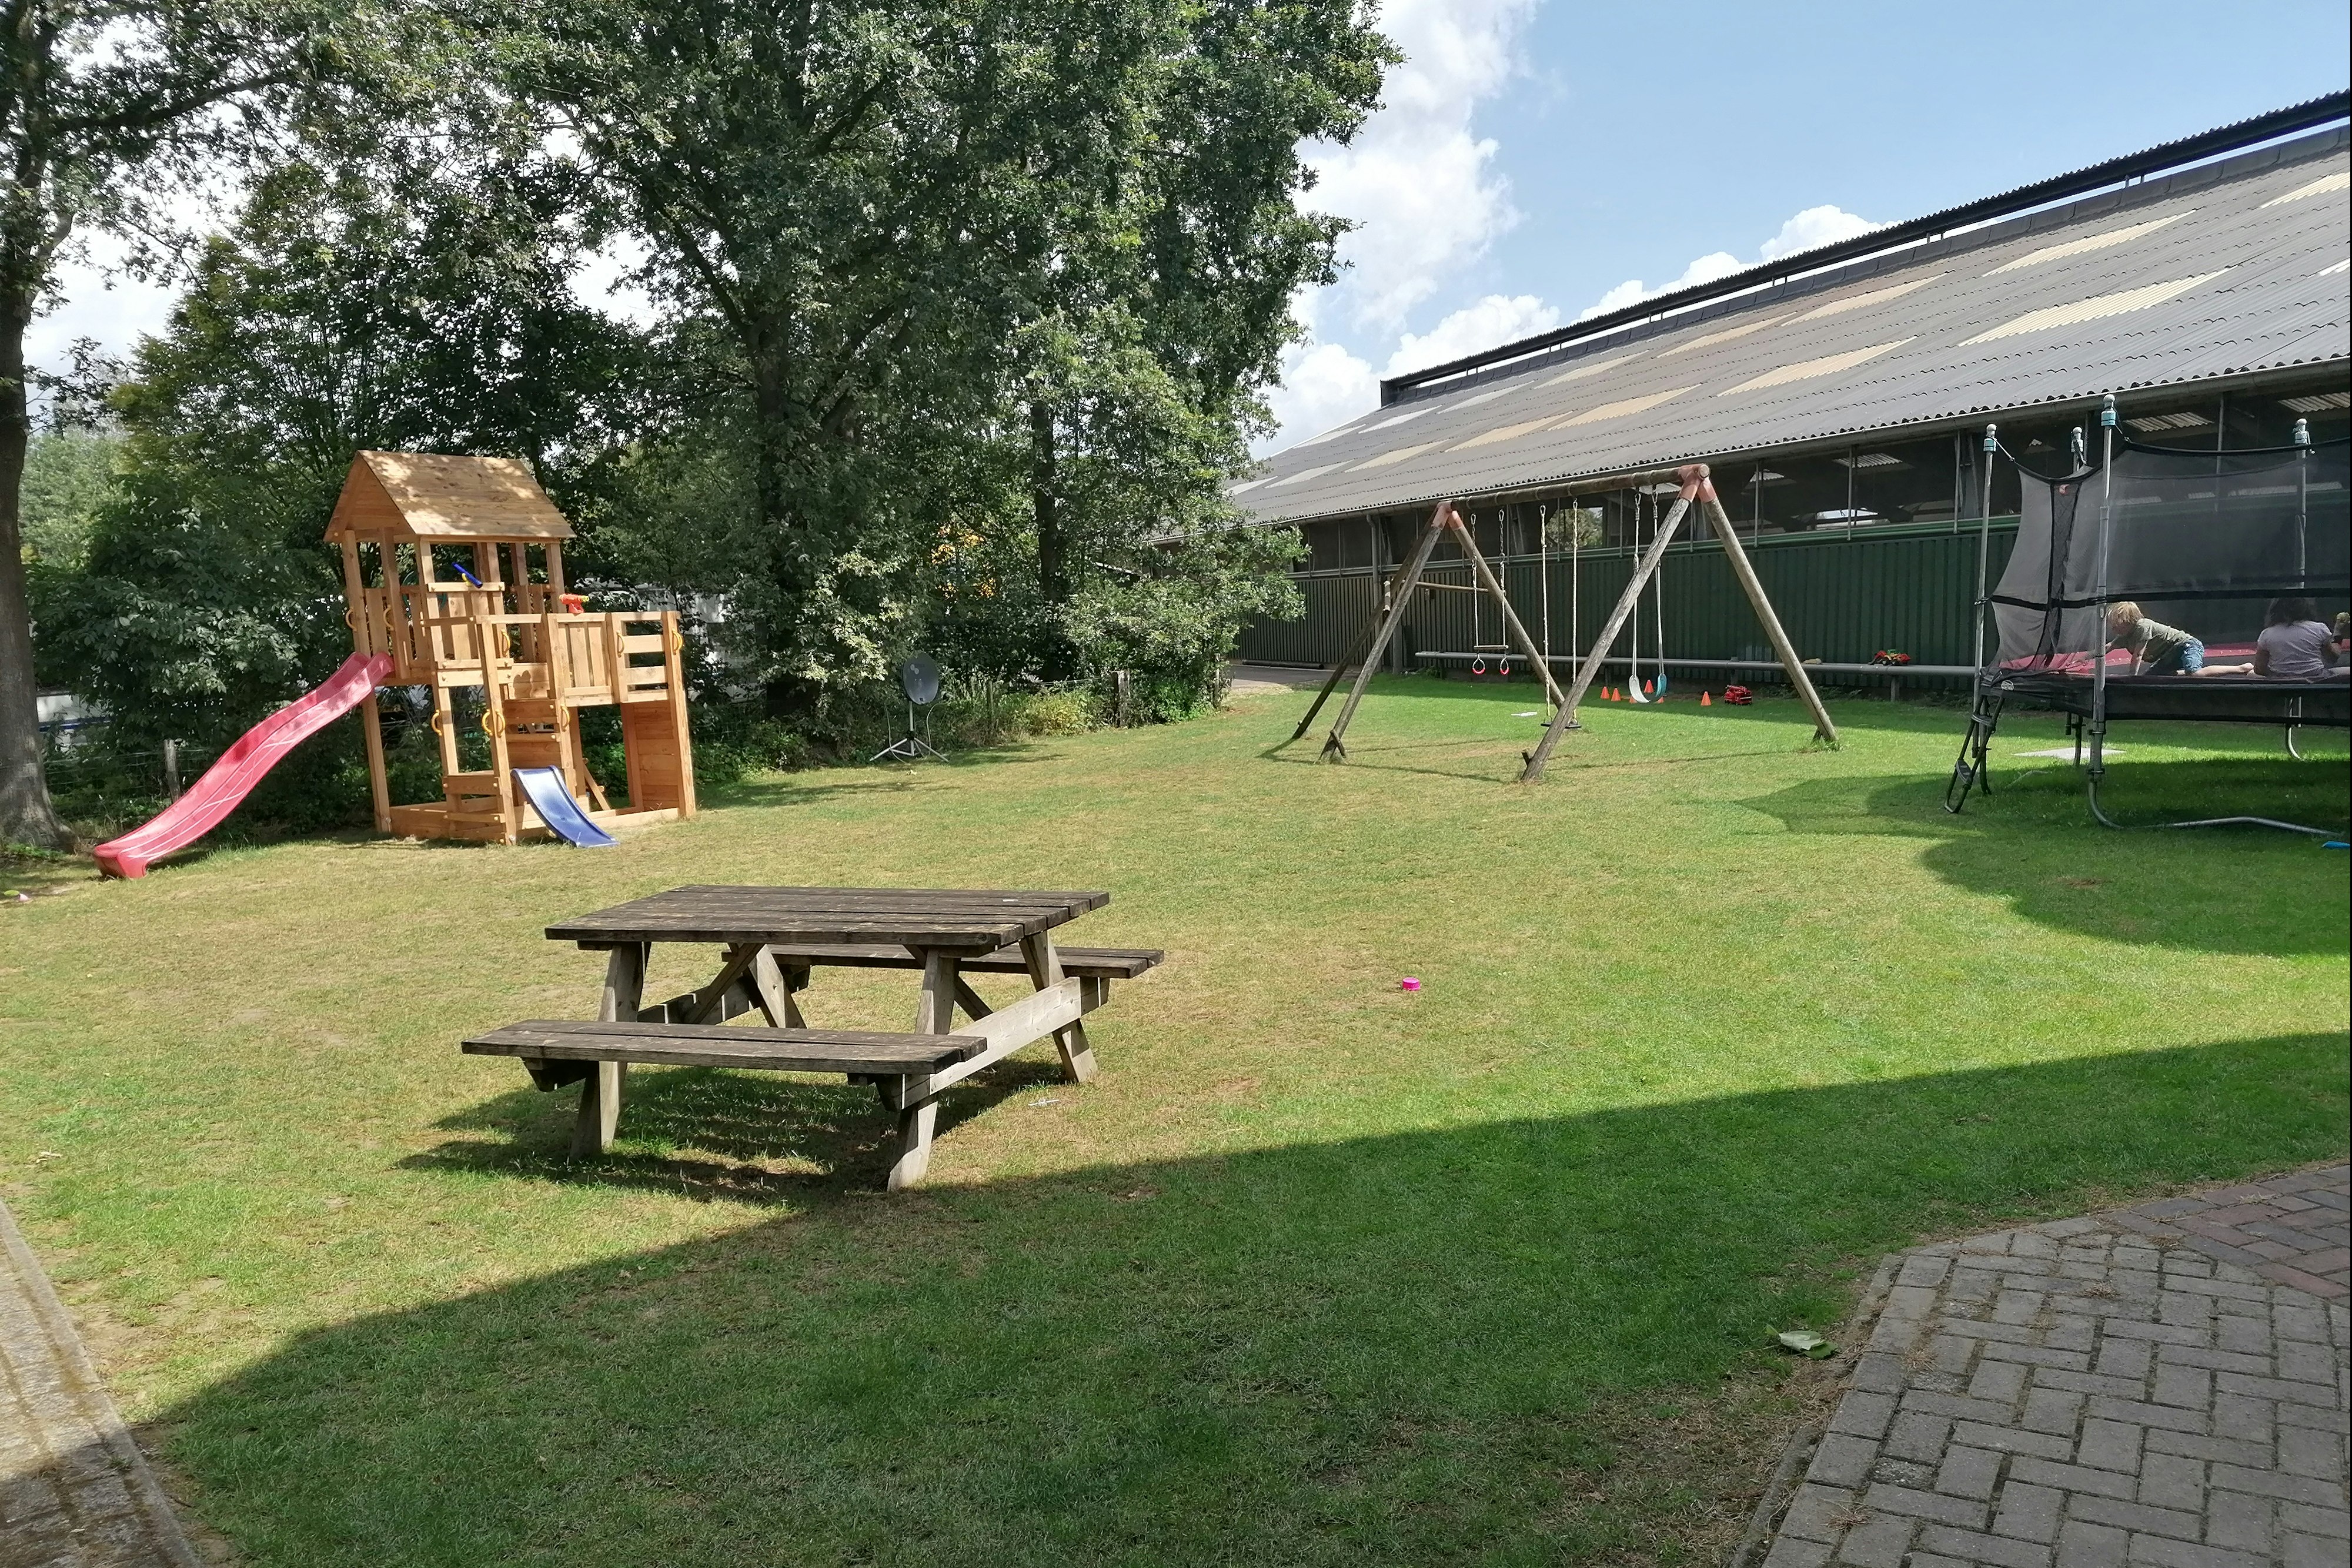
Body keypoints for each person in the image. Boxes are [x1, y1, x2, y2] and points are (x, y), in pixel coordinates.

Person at [2104, 601, 2250, 676]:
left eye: (2116, 625)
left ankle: (2241, 668)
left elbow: (2138, 655)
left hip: (2187, 645)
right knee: (2154, 677)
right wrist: (2085, 657)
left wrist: (2132, 678)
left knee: (2195, 673)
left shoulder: (2142, 626)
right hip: (2171, 653)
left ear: (2127, 622)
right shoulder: (2126, 636)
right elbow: (2107, 647)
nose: (2113, 629)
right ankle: (2185, 672)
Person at [2252, 597, 2343, 680]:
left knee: (2250, 674)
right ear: (2306, 607)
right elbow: (2332, 658)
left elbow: (2259, 670)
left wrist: (2279, 673)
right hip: (2316, 678)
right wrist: (2338, 632)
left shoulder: (2267, 634)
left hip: (2281, 681)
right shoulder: (2319, 629)